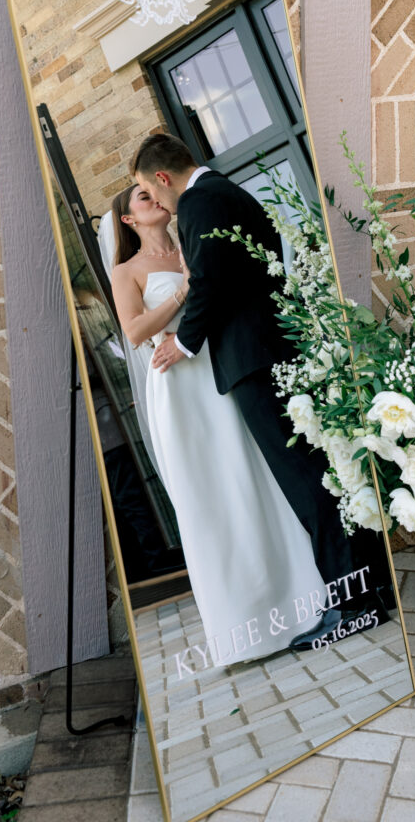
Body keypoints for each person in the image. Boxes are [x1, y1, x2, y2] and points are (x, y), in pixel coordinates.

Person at [131, 133, 391, 649]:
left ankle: (356, 604)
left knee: (308, 483)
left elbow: (210, 281)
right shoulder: (226, 192)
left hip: (254, 359)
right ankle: (370, 583)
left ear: (163, 177)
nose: (157, 203)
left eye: (149, 191)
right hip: (272, 350)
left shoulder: (201, 202)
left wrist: (182, 344)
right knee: (324, 471)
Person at [109, 183, 327, 665]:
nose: (154, 200)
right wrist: (184, 291)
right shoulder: (127, 271)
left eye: (152, 192)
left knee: (257, 476)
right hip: (180, 386)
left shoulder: (193, 240)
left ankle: (305, 600)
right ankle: (242, 627)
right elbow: (135, 331)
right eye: (142, 199)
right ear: (129, 221)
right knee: (213, 492)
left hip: (223, 368)